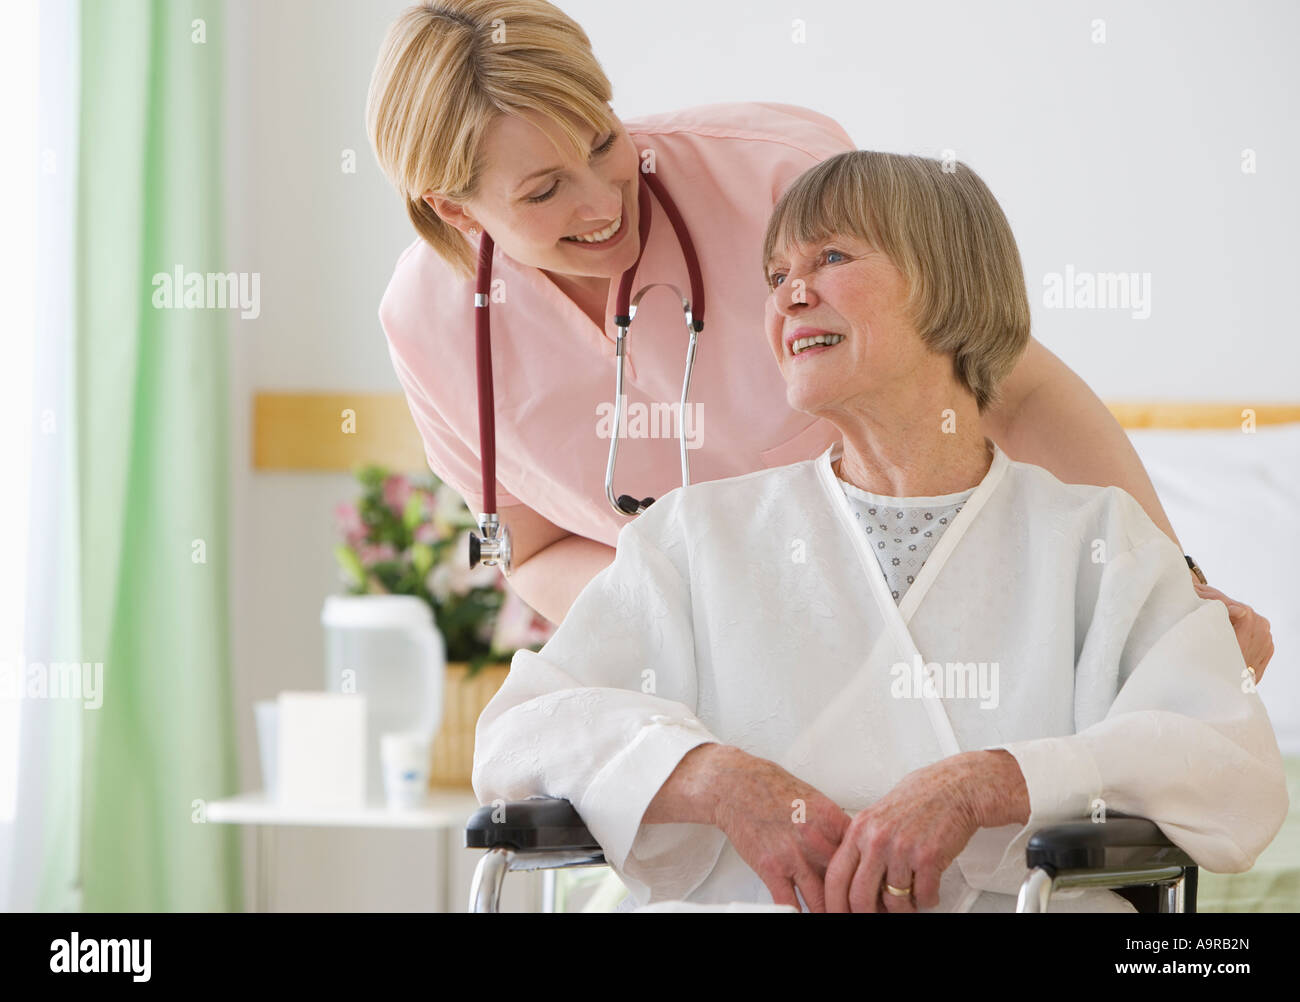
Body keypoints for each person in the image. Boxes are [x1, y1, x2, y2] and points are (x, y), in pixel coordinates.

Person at [366, 0, 1273, 679]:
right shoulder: (431, 329)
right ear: (456, 210)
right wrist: (699, 631)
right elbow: (532, 548)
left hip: (934, 609)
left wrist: (1176, 587)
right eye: (542, 191)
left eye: (602, 141)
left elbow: (1010, 382)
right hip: (705, 672)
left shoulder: (778, 176)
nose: (607, 200)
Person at [471, 151, 1288, 912]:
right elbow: (520, 735)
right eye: (776, 274)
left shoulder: (1100, 542)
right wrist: (715, 778)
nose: (790, 294)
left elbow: (1231, 770)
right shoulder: (694, 536)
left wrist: (989, 785)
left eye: (831, 259)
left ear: (950, 284)